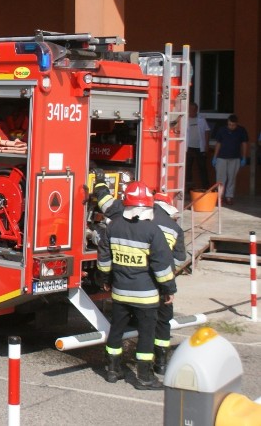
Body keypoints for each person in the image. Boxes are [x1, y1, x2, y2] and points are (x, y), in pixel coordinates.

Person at [92, 177, 177, 390]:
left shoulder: (113, 228)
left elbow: (104, 259)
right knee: (146, 336)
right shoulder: (152, 231)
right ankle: (144, 377)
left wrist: (105, 280)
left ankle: (112, 370)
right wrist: (168, 289)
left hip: (120, 292)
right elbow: (162, 265)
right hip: (146, 296)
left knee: (116, 330)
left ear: (126, 203)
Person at [151, 192, 186, 375]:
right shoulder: (174, 228)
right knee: (163, 322)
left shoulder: (141, 222)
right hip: (164, 284)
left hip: (142, 281)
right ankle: (161, 363)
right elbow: (180, 260)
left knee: (145, 320)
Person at [212, 114, 249, 205]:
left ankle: (229, 196)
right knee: (220, 179)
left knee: (232, 178)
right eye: (229, 124)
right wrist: (215, 157)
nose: (231, 126)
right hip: (221, 158)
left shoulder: (241, 130)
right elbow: (218, 144)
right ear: (227, 123)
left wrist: (243, 157)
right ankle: (220, 197)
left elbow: (244, 144)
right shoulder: (222, 130)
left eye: (233, 125)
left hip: (235, 158)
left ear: (236, 124)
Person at [185, 102, 210, 190]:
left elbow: (207, 131)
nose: (192, 111)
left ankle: (206, 187)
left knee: (202, 167)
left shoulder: (201, 119)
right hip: (188, 148)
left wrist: (206, 144)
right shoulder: (184, 119)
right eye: (190, 109)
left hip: (200, 148)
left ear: (196, 110)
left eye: (194, 109)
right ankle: (188, 189)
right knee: (187, 168)